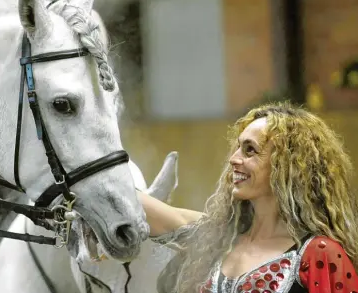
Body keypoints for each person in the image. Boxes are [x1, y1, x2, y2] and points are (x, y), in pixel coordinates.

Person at [136, 101, 358, 293]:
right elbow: (151, 211)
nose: (233, 159)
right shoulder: (219, 239)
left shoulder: (318, 253)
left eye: (250, 150)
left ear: (287, 166)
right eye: (238, 147)